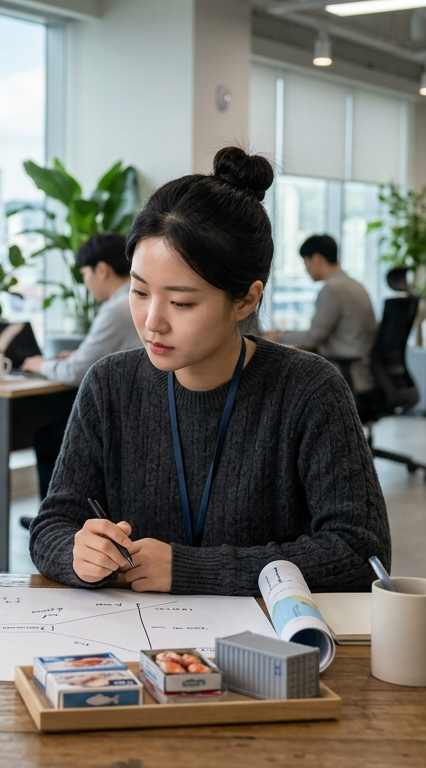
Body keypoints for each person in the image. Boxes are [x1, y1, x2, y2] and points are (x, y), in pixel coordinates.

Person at [27, 147, 391, 596]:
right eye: (140, 292)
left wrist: (191, 569)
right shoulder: (110, 384)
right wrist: (77, 551)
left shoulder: (309, 389)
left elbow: (360, 553)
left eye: (181, 302)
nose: (152, 321)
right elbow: (50, 527)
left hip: (268, 650)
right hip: (133, 644)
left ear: (246, 300)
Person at [18, 233, 142, 505]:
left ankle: (53, 513)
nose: (86, 284)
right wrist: (72, 357)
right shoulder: (135, 299)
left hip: (124, 417)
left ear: (102, 270)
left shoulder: (118, 307)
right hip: (134, 410)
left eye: (85, 275)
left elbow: (77, 371)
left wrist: (41, 364)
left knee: (48, 437)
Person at [265, 234, 378, 393]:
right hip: (361, 369)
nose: (306, 269)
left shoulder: (332, 289)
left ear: (317, 259)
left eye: (305, 262)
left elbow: (313, 338)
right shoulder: (355, 285)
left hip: (345, 372)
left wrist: (277, 337)